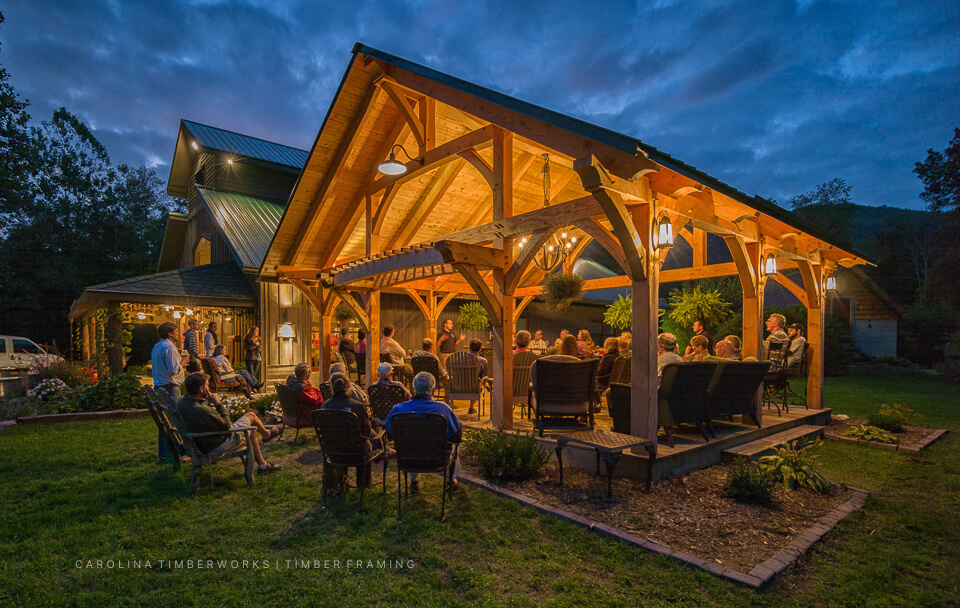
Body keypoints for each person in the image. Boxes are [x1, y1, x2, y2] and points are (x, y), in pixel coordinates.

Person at [177, 372, 281, 473]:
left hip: (199, 442)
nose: (209, 389)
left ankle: (263, 464)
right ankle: (267, 435)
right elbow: (226, 426)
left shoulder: (182, 402)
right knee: (252, 417)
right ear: (201, 389)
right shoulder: (201, 410)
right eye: (207, 386)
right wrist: (218, 404)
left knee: (251, 428)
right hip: (216, 444)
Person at [386, 372, 462, 494]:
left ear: (413, 389)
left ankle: (414, 482)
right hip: (437, 460)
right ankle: (450, 481)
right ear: (433, 390)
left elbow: (390, 433)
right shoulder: (443, 409)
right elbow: (456, 436)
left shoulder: (398, 409)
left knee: (411, 442)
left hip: (407, 459)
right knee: (454, 445)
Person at [322, 372, 381, 485]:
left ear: (331, 387)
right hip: (357, 453)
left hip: (333, 451)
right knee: (366, 442)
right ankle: (363, 483)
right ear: (349, 385)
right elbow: (366, 432)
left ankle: (341, 481)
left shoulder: (324, 406)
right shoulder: (357, 406)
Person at [151, 321, 190, 463]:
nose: (178, 333)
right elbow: (173, 370)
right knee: (175, 421)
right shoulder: (170, 347)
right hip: (170, 388)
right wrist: (184, 362)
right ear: (170, 333)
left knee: (165, 422)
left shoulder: (157, 346)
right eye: (176, 331)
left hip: (159, 387)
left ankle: (164, 454)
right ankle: (176, 454)